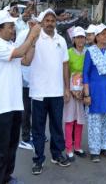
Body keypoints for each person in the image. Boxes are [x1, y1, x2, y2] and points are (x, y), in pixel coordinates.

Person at [0, 10, 40, 184]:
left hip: (14, 104)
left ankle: (6, 177)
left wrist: (33, 41)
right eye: (10, 26)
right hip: (0, 106)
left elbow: (26, 60)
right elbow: (20, 53)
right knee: (0, 149)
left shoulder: (8, 45)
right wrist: (32, 34)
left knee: (11, 146)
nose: (13, 29)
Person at [29, 9, 72, 175]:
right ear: (41, 22)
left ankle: (57, 154)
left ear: (56, 22)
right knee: (38, 128)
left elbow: (65, 65)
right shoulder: (35, 38)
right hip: (39, 91)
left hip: (56, 92)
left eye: (52, 20)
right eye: (46, 20)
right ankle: (38, 159)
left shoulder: (61, 39)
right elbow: (26, 56)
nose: (49, 23)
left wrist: (66, 88)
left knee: (56, 126)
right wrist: (32, 32)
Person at [83, 24, 106, 163]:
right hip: (95, 91)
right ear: (97, 37)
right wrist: (87, 94)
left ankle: (105, 147)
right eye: (103, 34)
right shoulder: (90, 52)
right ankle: (94, 150)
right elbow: (85, 74)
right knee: (95, 121)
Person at [63, 27, 87, 162]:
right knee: (69, 119)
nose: (80, 40)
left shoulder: (87, 53)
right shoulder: (68, 52)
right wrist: (69, 89)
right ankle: (69, 148)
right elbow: (65, 72)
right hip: (71, 90)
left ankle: (77, 146)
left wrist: (84, 90)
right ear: (73, 39)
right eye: (78, 37)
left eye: (82, 37)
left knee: (80, 120)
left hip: (83, 90)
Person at [15, 16, 38, 151]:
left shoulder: (41, 36)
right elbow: (19, 53)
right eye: (35, 24)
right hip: (24, 77)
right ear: (30, 24)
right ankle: (25, 138)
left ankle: (33, 133)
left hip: (36, 78)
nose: (37, 26)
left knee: (36, 109)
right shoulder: (23, 35)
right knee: (26, 109)